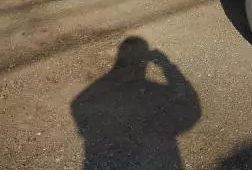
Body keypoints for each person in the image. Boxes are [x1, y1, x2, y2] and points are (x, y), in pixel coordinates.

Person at [71, 37, 200, 169]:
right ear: (144, 61)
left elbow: (79, 107)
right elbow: (191, 108)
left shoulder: (88, 98)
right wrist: (167, 65)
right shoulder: (156, 94)